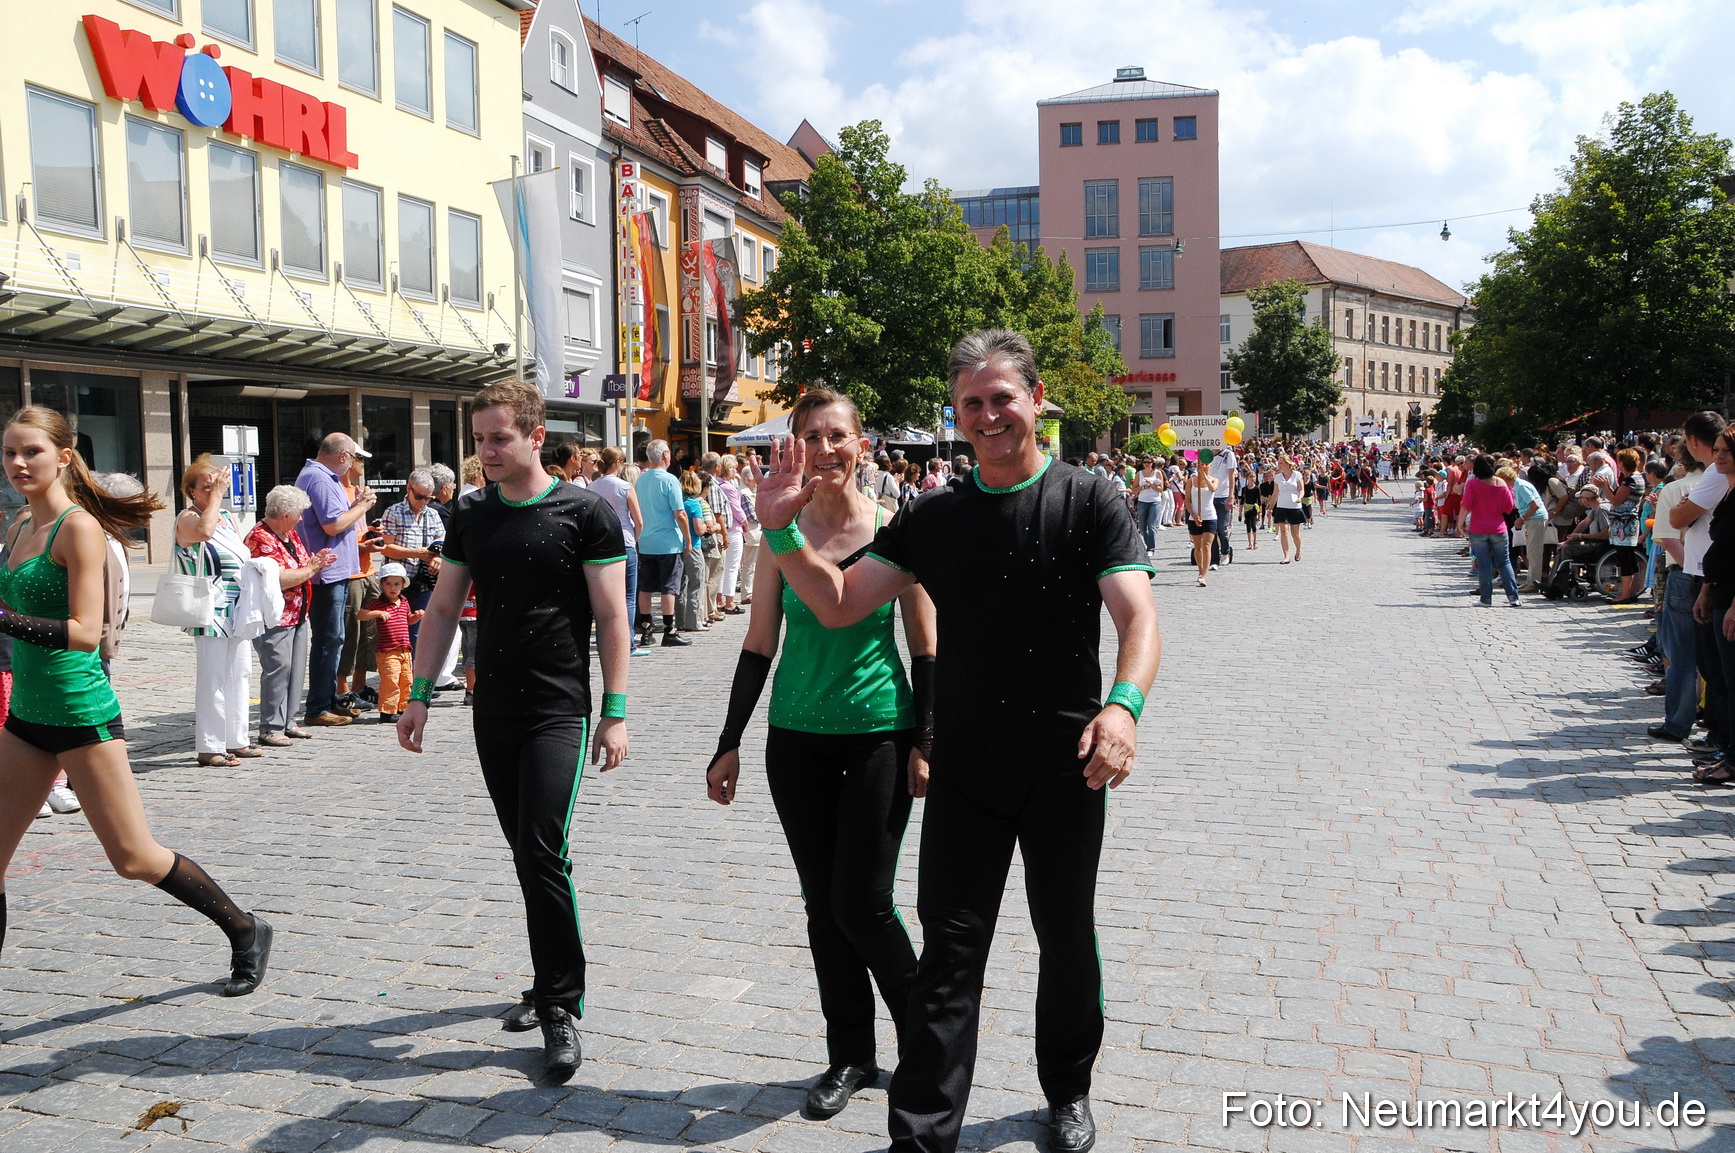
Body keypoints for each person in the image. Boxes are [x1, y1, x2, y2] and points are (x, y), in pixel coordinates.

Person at [754, 330, 1160, 1153]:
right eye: (971, 402)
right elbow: (836, 603)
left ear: (1035, 401)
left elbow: (1137, 616)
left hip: (1065, 766)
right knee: (949, 953)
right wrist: (780, 532)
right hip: (968, 771)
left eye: (1001, 398)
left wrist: (1120, 708)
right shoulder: (932, 518)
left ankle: (1066, 1088)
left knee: (1065, 935)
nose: (987, 415)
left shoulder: (1089, 499)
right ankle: (921, 1136)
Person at [706, 388, 937, 1120]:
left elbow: (927, 647)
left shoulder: (897, 528)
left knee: (862, 902)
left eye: (839, 435)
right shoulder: (783, 530)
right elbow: (758, 643)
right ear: (796, 446)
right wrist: (729, 740)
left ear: (862, 444)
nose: (827, 447)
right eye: (812, 435)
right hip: (795, 740)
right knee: (820, 907)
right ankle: (850, 1054)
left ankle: (929, 1045)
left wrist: (927, 740)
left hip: (877, 733)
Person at [397, 380, 630, 1083]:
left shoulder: (584, 510)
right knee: (527, 854)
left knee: (541, 848)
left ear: (534, 436)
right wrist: (417, 694)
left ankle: (560, 1002)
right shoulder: (469, 514)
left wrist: (615, 709)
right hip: (491, 709)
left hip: (559, 706)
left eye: (499, 437)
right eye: (479, 439)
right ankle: (544, 979)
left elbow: (613, 616)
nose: (487, 451)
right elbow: (440, 610)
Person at [0, 405, 272, 996]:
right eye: (9, 453)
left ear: (64, 457)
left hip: (80, 714)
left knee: (134, 858)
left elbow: (83, 630)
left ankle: (245, 928)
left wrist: (5, 619)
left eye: (31, 452)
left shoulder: (79, 528)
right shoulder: (19, 524)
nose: (18, 463)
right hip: (26, 716)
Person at [175, 458, 260, 766]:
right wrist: (215, 499)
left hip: (238, 604)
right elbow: (205, 533)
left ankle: (237, 739)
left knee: (240, 672)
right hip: (210, 604)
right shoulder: (189, 517)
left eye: (217, 484)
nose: (214, 491)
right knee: (214, 676)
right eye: (206, 487)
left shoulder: (226, 515)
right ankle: (210, 745)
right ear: (192, 492)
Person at [244, 486, 337, 747]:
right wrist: (311, 568)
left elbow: (301, 564)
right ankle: (271, 727)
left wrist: (314, 563)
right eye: (298, 514)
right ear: (284, 514)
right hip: (276, 616)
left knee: (295, 669)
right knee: (277, 668)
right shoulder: (261, 538)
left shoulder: (289, 534)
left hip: (298, 613)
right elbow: (279, 578)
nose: (301, 519)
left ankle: (288, 721)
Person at [296, 434, 374, 726]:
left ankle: (326, 700)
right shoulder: (320, 479)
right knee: (329, 640)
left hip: (331, 572)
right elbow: (333, 524)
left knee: (333, 639)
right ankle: (318, 706)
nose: (356, 463)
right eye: (355, 457)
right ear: (343, 456)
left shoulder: (318, 476)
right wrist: (362, 506)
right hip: (327, 575)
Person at [632, 440, 692, 649]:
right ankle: (669, 630)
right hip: (668, 543)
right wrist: (688, 539)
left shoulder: (640, 480)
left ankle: (646, 630)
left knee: (646, 587)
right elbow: (680, 513)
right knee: (669, 587)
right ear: (665, 455)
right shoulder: (670, 480)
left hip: (646, 540)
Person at [378, 468, 445, 650]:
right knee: (396, 633)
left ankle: (417, 675)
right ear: (408, 489)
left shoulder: (433, 514)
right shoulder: (393, 512)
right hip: (398, 585)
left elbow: (442, 539)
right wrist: (418, 553)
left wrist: (438, 556)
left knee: (422, 632)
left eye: (428, 498)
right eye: (419, 497)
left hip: (425, 582)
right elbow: (387, 549)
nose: (423, 502)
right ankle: (400, 674)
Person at [590, 448, 644, 655]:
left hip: (601, 544)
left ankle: (606, 640)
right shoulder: (625, 487)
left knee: (606, 597)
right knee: (629, 596)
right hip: (625, 541)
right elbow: (638, 521)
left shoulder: (592, 486)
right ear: (619, 462)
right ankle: (628, 642)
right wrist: (635, 540)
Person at [358, 562, 421, 723]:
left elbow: (408, 620)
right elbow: (361, 614)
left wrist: (417, 616)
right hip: (387, 650)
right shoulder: (379, 603)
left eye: (397, 584)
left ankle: (402, 708)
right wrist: (377, 613)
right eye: (388, 584)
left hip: (405, 649)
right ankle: (387, 711)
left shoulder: (404, 601)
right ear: (382, 584)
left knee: (406, 680)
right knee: (390, 680)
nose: (393, 588)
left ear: (402, 585)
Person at [1457, 455, 1520, 607]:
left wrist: (1460, 525)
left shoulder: (1472, 484)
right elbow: (1508, 507)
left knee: (1484, 564)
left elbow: (1466, 506)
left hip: (1478, 528)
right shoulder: (1501, 483)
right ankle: (1513, 597)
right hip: (1498, 528)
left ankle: (1486, 599)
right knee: (1504, 562)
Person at [1183, 453, 1217, 586]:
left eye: (1205, 465)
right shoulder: (1191, 481)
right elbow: (1187, 500)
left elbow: (1212, 489)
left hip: (1210, 516)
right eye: (1200, 465)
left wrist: (1203, 475)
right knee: (1198, 547)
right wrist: (1193, 514)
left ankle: (1204, 575)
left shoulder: (1214, 479)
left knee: (1207, 545)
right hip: (1195, 516)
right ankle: (1200, 570)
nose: (1202, 467)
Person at [1271, 456, 1305, 563]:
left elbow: (1301, 489)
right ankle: (1286, 556)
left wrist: (1300, 497)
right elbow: (1275, 493)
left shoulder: (1297, 475)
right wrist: (1270, 507)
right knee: (1284, 530)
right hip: (1282, 507)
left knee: (1295, 533)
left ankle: (1298, 550)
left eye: (1281, 463)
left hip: (1294, 506)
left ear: (1287, 463)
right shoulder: (1277, 477)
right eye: (1278, 463)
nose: (1279, 465)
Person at [1133, 457, 1164, 552]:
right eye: (1144, 462)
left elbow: (1161, 489)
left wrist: (1152, 485)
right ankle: (1149, 544)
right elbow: (1134, 489)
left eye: (1148, 462)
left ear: (1152, 463)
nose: (1146, 464)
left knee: (1151, 525)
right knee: (1142, 527)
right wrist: (1143, 487)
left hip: (1155, 501)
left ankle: (1151, 548)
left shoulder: (1158, 473)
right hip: (1142, 501)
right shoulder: (1139, 474)